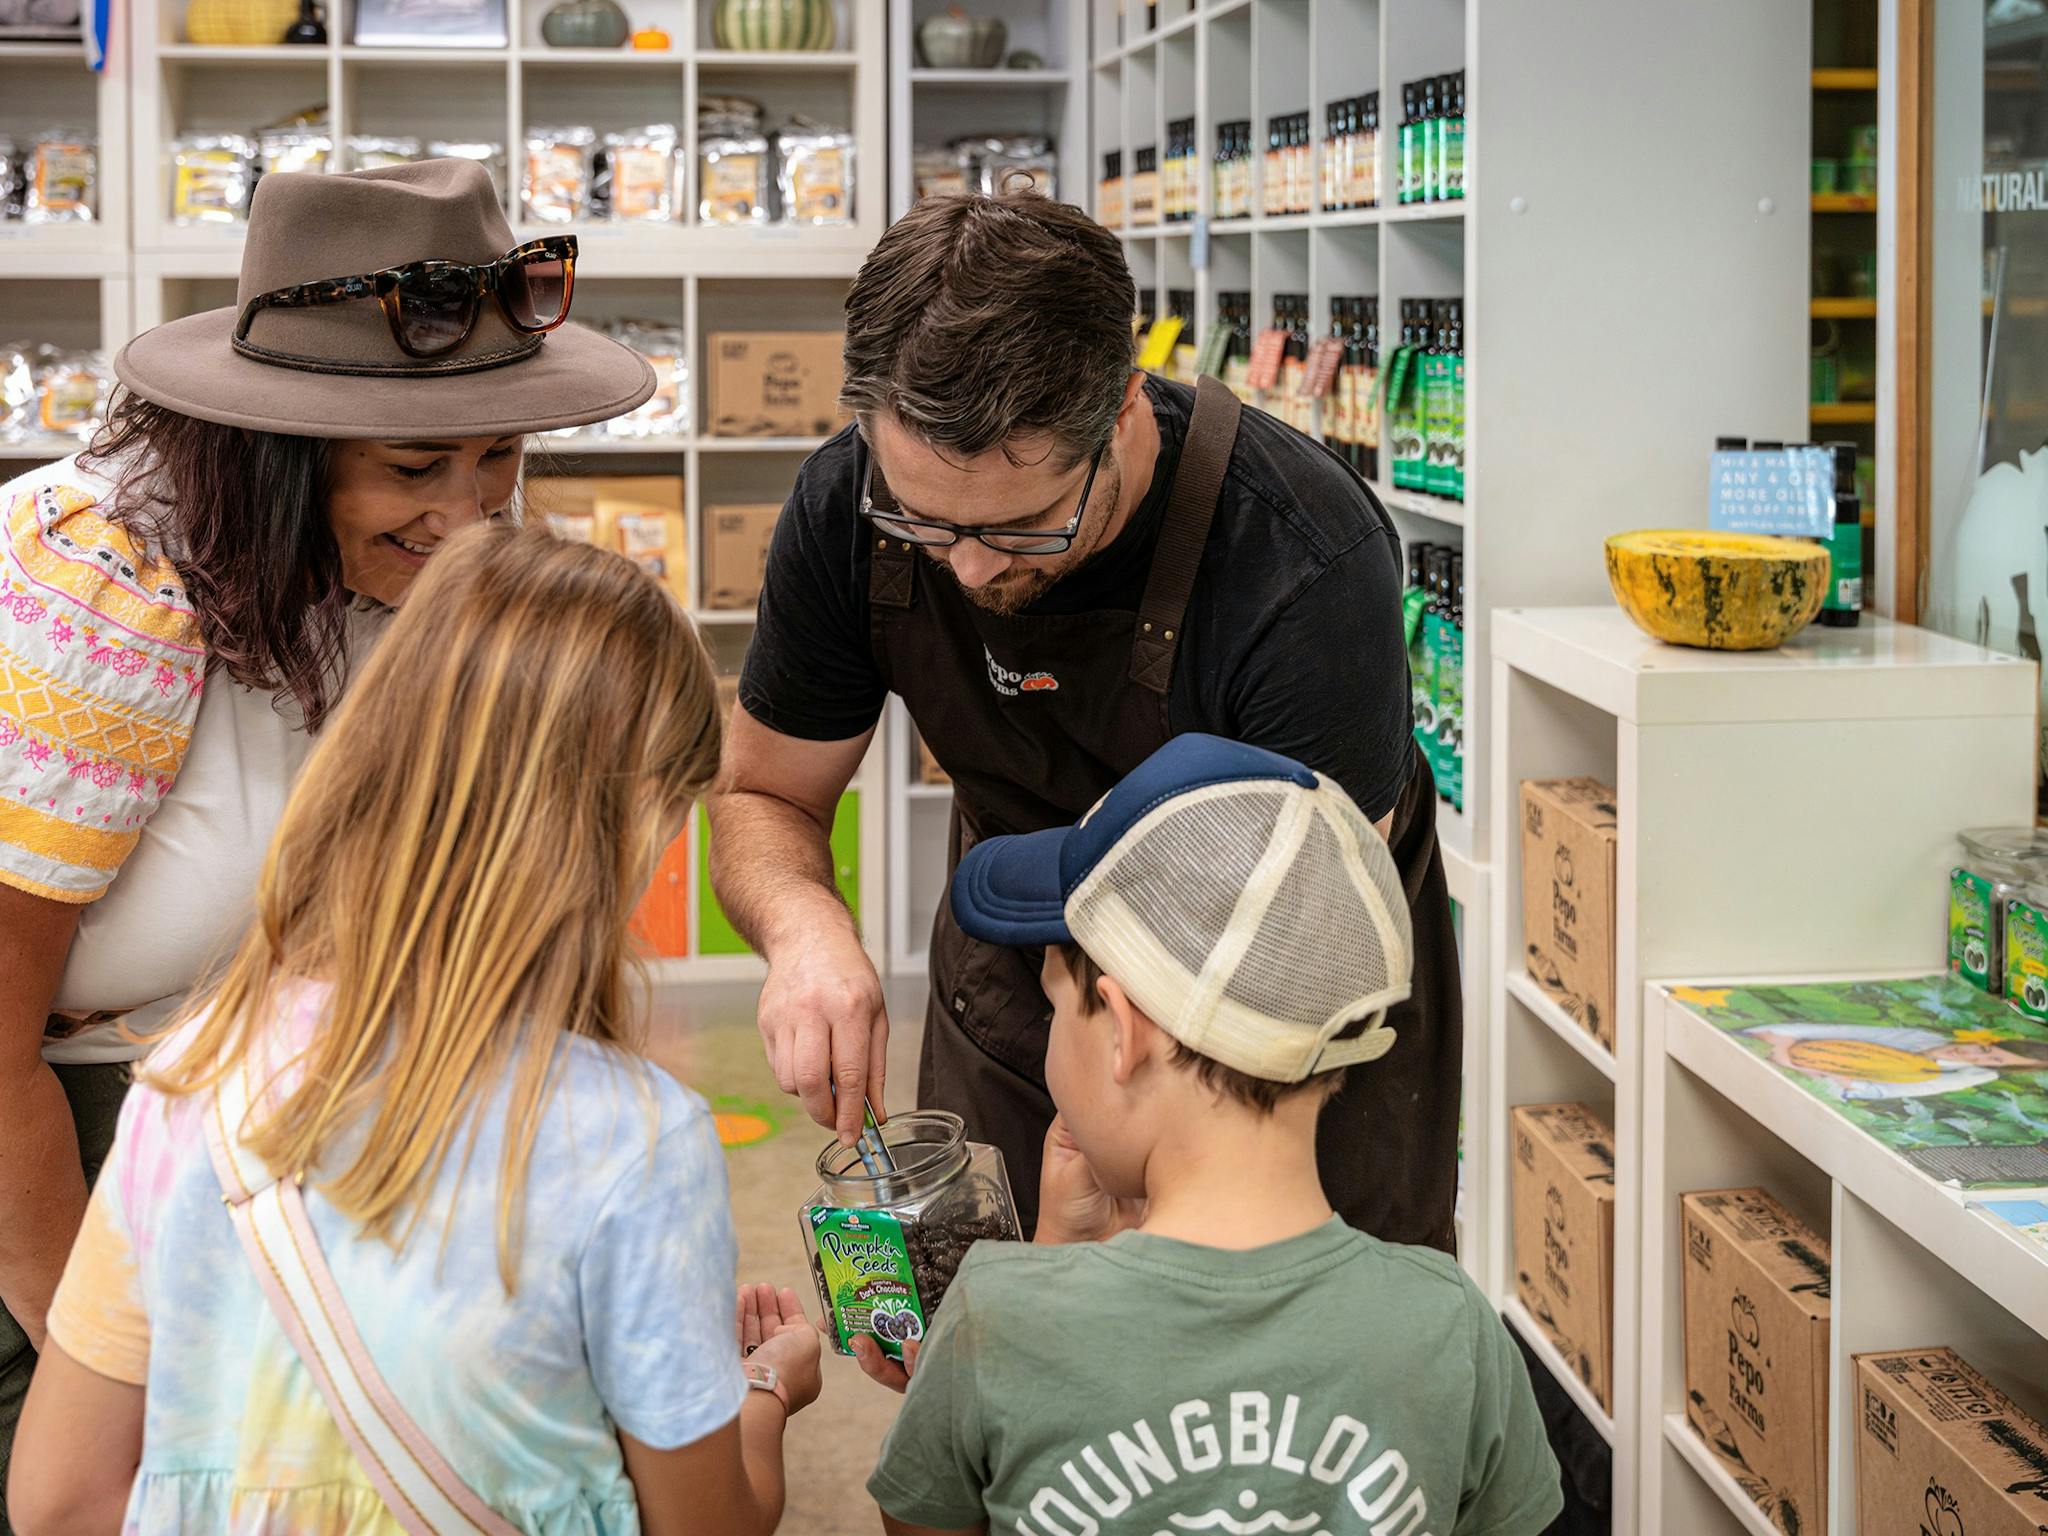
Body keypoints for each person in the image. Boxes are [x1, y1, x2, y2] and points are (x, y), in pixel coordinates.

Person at [0, 156, 655, 1505]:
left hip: (233, 1106)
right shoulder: (109, 588)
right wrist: (117, 1362)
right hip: (47, 1140)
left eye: (502, 457)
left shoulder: (413, 555)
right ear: (273, 456)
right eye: (415, 463)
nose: (472, 509)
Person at [8, 524, 822, 1536]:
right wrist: (760, 1397)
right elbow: (706, 1527)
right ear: (630, 821)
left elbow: (57, 1501)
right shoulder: (630, 1138)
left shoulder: (185, 1077)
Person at [712, 188, 1461, 1249]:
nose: (966, 567)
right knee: (992, 1331)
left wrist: (1126, 1234)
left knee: (1283, 1366)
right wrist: (804, 934)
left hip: (1278, 1024)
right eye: (920, 520)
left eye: (1022, 527)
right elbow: (764, 791)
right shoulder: (843, 510)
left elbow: (1301, 940)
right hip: (1022, 957)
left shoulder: (1301, 554)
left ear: (1121, 415)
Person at [855, 733, 1562, 1536]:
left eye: (1057, 1003)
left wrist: (1030, 1284)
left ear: (1124, 1031)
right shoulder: (1452, 1327)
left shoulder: (995, 1317)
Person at [1740, 1021, 2048, 1100]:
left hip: (1830, 1080)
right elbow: (1843, 1031)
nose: (1970, 1055)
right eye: (1983, 1049)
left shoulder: (1937, 1076)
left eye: (1992, 1061)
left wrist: (1809, 1069)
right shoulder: (1920, 1037)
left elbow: (1881, 1092)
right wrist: (1779, 1036)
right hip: (1799, 1051)